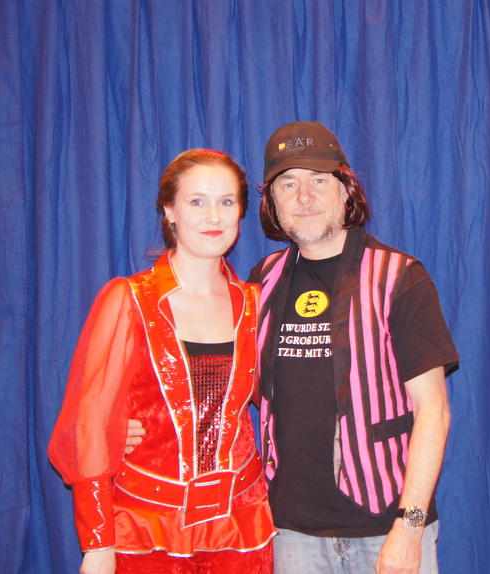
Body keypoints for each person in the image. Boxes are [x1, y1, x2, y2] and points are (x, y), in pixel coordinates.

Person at [48, 149, 275, 574]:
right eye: (196, 201)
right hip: (147, 530)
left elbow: (284, 402)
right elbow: (88, 424)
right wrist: (98, 543)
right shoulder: (128, 300)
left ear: (241, 212)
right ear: (170, 211)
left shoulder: (256, 303)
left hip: (241, 529)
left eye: (226, 201)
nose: (213, 216)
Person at [251, 121, 459, 574]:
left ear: (346, 191)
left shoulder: (400, 277)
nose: (304, 197)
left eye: (319, 180)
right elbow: (221, 382)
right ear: (272, 203)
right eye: (288, 184)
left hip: (388, 528)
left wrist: (410, 528)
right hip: (291, 533)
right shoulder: (261, 282)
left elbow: (434, 410)